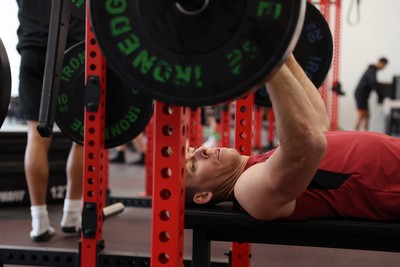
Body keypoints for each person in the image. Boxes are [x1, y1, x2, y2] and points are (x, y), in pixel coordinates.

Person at [185, 53, 400, 222]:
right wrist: (267, 54)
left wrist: (285, 51)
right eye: (193, 166)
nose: (201, 151)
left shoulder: (260, 163)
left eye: (192, 150)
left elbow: (317, 126)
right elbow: (310, 143)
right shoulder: (248, 191)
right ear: (203, 196)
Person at [16, 0, 85, 241]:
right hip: (73, 50)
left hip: (33, 51)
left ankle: (39, 223)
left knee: (35, 136)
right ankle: (73, 214)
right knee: (82, 137)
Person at [354, 57, 389, 131]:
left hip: (363, 95)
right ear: (381, 63)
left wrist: (380, 84)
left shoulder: (372, 70)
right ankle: (354, 134)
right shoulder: (372, 70)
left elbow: (372, 82)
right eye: (384, 66)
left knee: (367, 116)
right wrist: (380, 93)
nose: (383, 68)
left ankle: (366, 134)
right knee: (361, 115)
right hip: (361, 95)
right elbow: (372, 83)